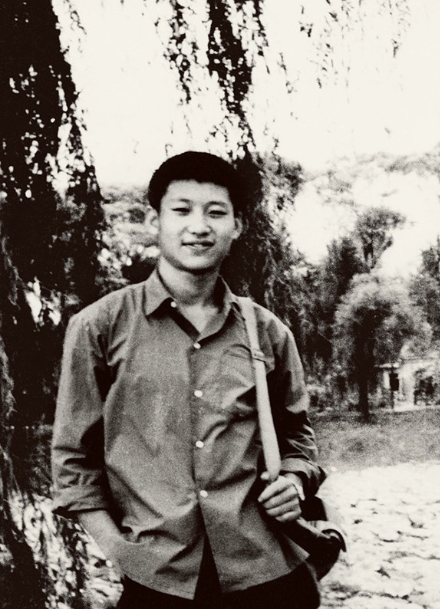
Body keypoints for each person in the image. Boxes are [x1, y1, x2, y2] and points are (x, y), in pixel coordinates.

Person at [52, 151, 326, 608]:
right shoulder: (98, 327)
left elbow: (297, 435)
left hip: (268, 570)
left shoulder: (267, 331)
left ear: (237, 226)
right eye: (181, 210)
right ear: (154, 220)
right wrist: (120, 551)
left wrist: (295, 481)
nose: (199, 226)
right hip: (158, 579)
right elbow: (73, 459)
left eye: (216, 213)